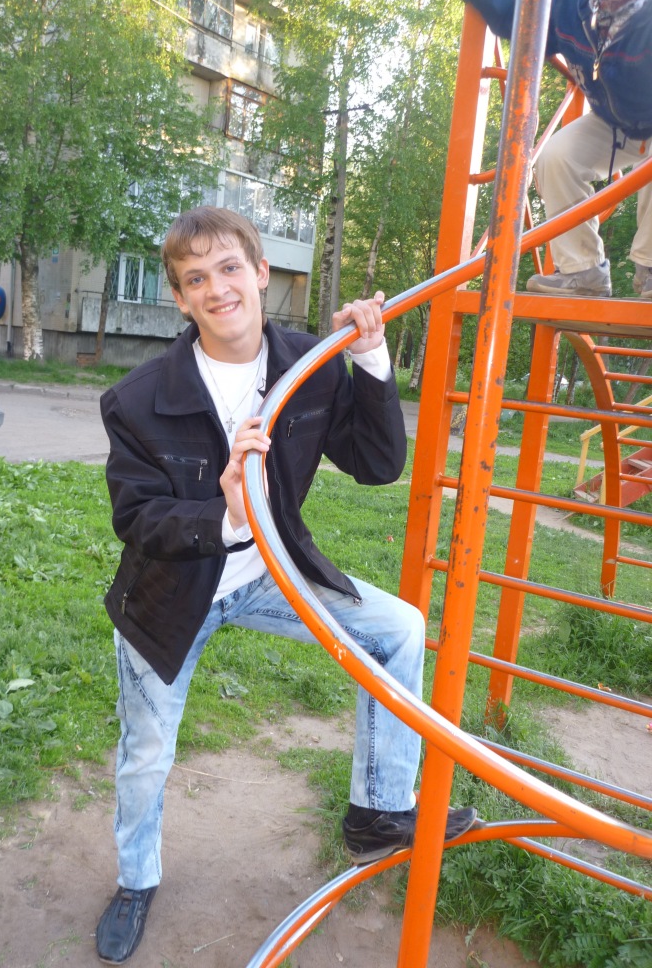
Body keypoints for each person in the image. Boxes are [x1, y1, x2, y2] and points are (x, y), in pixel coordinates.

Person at [95, 206, 477, 965]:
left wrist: (370, 359)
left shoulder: (312, 365)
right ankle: (136, 881)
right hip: (171, 595)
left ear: (262, 273)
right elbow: (136, 518)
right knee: (147, 750)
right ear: (180, 298)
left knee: (397, 628)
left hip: (272, 576)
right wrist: (226, 513)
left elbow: (377, 464)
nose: (217, 288)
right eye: (195, 279)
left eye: (229, 268)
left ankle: (378, 813)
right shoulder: (138, 397)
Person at [439, 0, 652, 300]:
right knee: (557, 157)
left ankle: (649, 269)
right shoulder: (572, 5)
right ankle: (583, 272)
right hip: (612, 122)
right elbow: (519, 21)